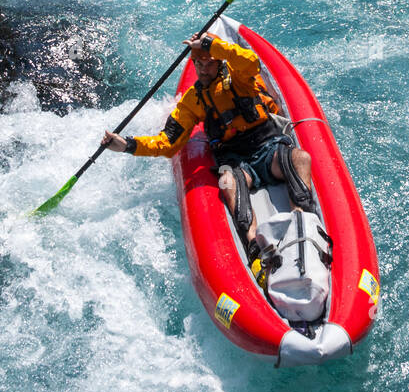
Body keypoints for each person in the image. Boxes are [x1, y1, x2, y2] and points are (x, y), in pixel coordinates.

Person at [103, 30, 316, 276]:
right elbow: (168, 142)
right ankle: (255, 247)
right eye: (199, 64)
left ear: (219, 60)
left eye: (208, 64)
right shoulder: (193, 100)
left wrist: (210, 44)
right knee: (227, 181)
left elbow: (250, 61)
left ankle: (302, 223)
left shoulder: (239, 78)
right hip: (236, 161)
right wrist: (128, 145)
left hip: (267, 148)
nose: (203, 70)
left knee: (300, 157)